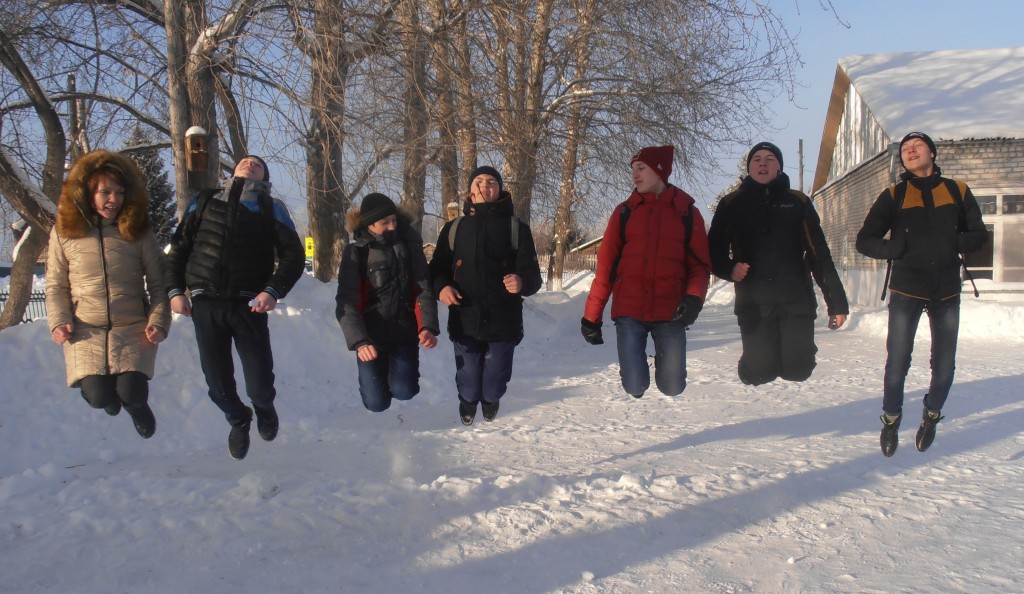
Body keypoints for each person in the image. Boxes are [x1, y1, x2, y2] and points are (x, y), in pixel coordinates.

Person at [856, 132, 987, 457]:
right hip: (906, 288)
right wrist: (892, 249)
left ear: (932, 152)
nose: (910, 151)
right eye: (905, 149)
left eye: (917, 146)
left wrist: (958, 242)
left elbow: (979, 234)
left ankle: (931, 415)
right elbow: (865, 239)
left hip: (946, 290)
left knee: (944, 366)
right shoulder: (894, 194)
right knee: (897, 362)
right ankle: (891, 420)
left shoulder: (957, 190)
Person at [166, 155, 304, 460]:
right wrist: (175, 290)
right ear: (234, 170)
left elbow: (293, 256)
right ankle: (238, 419)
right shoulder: (205, 200)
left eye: (258, 164)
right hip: (205, 303)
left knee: (260, 385)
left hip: (249, 305)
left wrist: (272, 291)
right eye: (246, 161)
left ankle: (264, 407)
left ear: (265, 176)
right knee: (218, 385)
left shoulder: (271, 207)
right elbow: (179, 248)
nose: (250, 164)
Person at [45, 149, 170, 439]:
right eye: (105, 192)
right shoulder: (64, 233)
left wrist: (159, 321)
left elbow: (159, 283)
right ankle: (110, 400)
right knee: (99, 397)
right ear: (87, 193)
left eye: (120, 192)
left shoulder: (138, 232)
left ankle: (137, 407)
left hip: (132, 327)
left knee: (132, 391)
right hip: (85, 329)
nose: (113, 199)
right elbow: (56, 286)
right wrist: (59, 321)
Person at [708, 141, 849, 387]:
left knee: (799, 370)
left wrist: (836, 303)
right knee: (760, 373)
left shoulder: (798, 202)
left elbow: (819, 255)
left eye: (770, 159)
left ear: (779, 167)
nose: (763, 163)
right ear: (749, 168)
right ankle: (752, 361)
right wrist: (729, 269)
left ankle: (798, 354)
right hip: (754, 303)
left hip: (796, 300)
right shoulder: (731, 203)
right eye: (757, 159)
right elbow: (712, 251)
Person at [581, 145, 711, 398]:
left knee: (673, 387)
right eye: (633, 169)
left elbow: (700, 266)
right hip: (630, 310)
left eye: (641, 168)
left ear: (660, 171)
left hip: (671, 310)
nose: (635, 174)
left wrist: (694, 298)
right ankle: (636, 375)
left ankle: (665, 363)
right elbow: (606, 269)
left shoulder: (687, 213)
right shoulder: (624, 212)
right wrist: (591, 317)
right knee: (634, 386)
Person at [429, 166, 542, 425]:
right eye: (478, 181)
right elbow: (436, 269)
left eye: (491, 181)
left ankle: (491, 400)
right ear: (470, 190)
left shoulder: (516, 228)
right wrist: (442, 287)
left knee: (494, 386)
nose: (485, 186)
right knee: (469, 382)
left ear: (499, 189)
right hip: (465, 319)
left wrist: (521, 281)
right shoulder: (454, 228)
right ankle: (467, 401)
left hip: (504, 321)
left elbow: (533, 277)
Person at [335, 193, 440, 412]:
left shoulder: (410, 246)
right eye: (385, 222)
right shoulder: (357, 253)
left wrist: (427, 326)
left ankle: (400, 377)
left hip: (404, 333)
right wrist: (359, 342)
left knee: (405, 390)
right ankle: (376, 383)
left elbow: (423, 289)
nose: (392, 226)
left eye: (393, 220)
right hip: (371, 338)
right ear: (370, 225)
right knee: (376, 404)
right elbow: (347, 301)